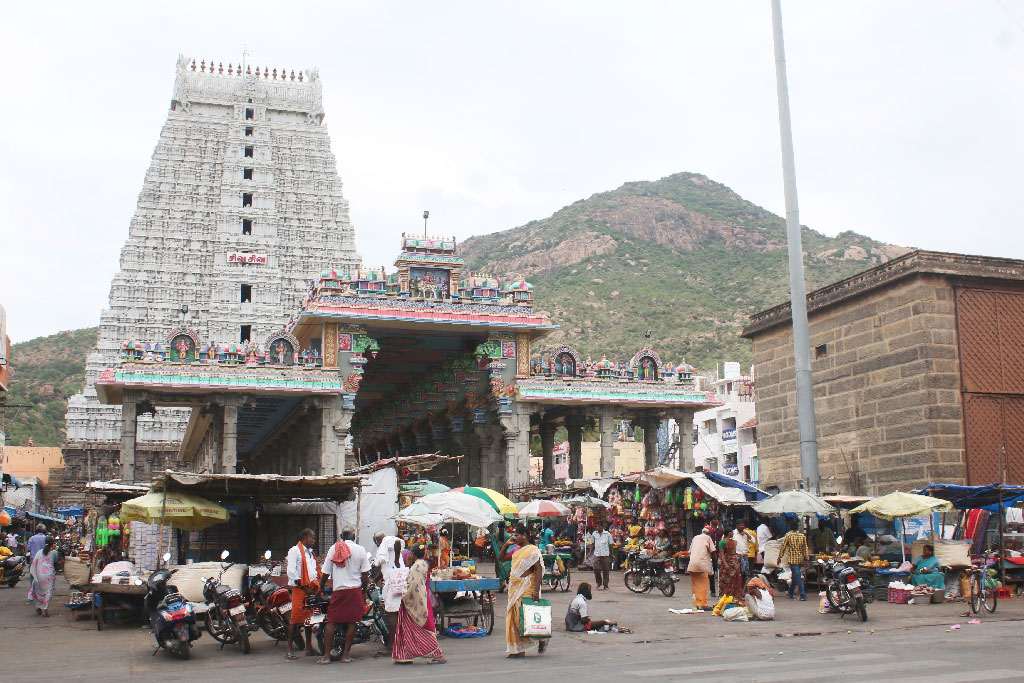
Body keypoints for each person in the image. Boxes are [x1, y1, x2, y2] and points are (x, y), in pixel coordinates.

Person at [317, 527, 371, 664]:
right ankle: (346, 655)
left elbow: (325, 572)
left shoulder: (334, 548)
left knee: (332, 621)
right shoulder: (360, 550)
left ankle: (326, 656)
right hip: (354, 590)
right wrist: (364, 591)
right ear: (354, 536)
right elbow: (365, 576)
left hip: (339, 590)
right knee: (352, 622)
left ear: (341, 536)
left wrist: (321, 587)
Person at [499, 523, 549, 658]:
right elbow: (501, 558)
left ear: (524, 535)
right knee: (513, 618)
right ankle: (518, 649)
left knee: (524, 617)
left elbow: (538, 569)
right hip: (515, 587)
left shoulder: (532, 550)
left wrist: (537, 590)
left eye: (516, 535)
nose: (514, 538)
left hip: (526, 587)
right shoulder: (516, 549)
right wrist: (506, 545)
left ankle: (542, 638)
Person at [392, 543, 445, 665]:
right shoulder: (423, 564)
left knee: (418, 629)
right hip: (422, 598)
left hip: (416, 601)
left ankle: (438, 653)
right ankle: (405, 654)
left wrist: (404, 594)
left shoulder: (417, 566)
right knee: (409, 629)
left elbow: (414, 585)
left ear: (413, 554)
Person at [285, 528, 319, 660]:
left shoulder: (310, 553)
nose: (314, 541)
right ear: (305, 537)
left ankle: (308, 647)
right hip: (300, 589)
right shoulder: (295, 551)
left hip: (310, 588)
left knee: (309, 618)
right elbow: (292, 572)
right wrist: (304, 588)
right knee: (295, 619)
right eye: (312, 538)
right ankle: (289, 648)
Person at [373, 531, 406, 657]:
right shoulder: (386, 549)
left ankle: (392, 645)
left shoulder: (387, 540)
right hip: (393, 581)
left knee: (391, 613)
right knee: (395, 613)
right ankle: (397, 642)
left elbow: (397, 542)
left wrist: (397, 560)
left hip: (393, 583)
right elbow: (384, 569)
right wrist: (375, 581)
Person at [27, 535, 58, 616]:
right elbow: (56, 561)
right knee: (48, 592)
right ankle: (45, 609)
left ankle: (39, 607)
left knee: (39, 591)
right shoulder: (54, 553)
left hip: (40, 575)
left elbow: (34, 563)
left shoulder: (39, 552)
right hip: (49, 575)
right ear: (52, 544)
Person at [687, 525, 715, 610]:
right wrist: (715, 561)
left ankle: (696, 603)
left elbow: (690, 551)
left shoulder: (695, 538)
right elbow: (713, 551)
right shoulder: (708, 538)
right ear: (709, 533)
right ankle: (703, 604)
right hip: (702, 564)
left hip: (692, 564)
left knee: (695, 585)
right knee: (703, 585)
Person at [779, 520, 809, 601]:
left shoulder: (788, 535)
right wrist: (807, 559)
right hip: (800, 560)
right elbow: (805, 548)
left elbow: (783, 547)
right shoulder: (802, 536)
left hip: (792, 560)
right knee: (796, 577)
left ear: (790, 527)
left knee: (797, 578)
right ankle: (791, 593)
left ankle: (802, 595)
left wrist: (779, 557)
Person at [718, 532, 744, 599]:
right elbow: (722, 554)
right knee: (726, 579)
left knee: (736, 578)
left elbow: (734, 552)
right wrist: (725, 564)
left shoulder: (734, 542)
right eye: (732, 532)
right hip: (727, 562)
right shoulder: (722, 542)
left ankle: (736, 595)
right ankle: (726, 594)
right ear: (729, 533)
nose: (733, 533)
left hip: (734, 563)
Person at [591, 521, 612, 589]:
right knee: (596, 568)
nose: (598, 528)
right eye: (597, 526)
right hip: (597, 553)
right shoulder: (594, 534)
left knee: (606, 570)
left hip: (605, 554)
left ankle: (606, 584)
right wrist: (590, 553)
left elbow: (610, 544)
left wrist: (612, 554)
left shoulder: (607, 534)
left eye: (599, 526)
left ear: (602, 527)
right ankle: (599, 582)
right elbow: (592, 544)